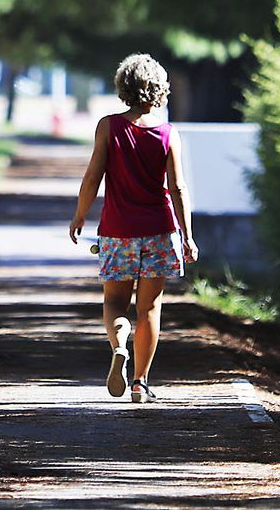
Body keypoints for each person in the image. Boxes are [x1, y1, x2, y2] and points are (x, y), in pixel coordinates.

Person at [69, 53, 197, 403]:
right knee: (150, 308)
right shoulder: (169, 135)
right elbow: (178, 188)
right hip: (159, 231)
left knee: (114, 304)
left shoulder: (108, 126)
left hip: (117, 231)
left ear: (123, 88)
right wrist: (187, 236)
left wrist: (80, 215)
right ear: (159, 91)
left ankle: (119, 344)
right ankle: (140, 383)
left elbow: (93, 176)